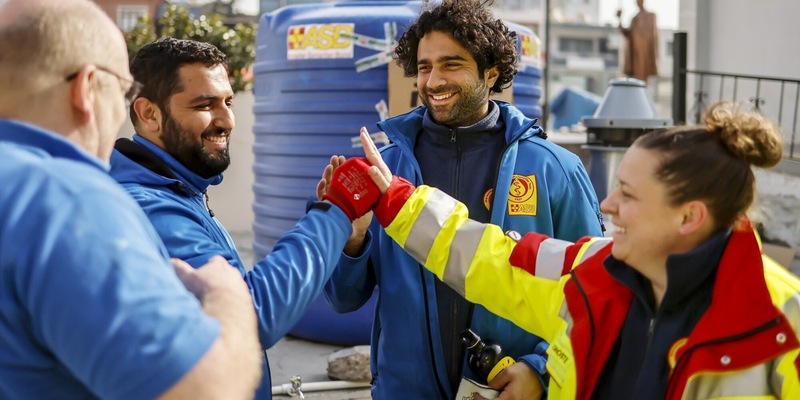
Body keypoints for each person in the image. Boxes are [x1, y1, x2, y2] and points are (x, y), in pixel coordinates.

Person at [358, 101, 800, 399]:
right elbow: (489, 257)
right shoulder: (591, 271)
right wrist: (397, 200)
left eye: (627, 194)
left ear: (689, 217)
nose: (608, 205)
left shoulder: (785, 320)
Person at [321, 0, 604, 398]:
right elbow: (343, 299)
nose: (433, 81)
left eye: (451, 64)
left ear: (490, 73)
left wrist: (539, 371)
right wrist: (351, 240)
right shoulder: (384, 171)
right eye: (424, 67)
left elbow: (597, 298)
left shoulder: (555, 169)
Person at [0, 0, 263, 398]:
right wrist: (227, 296)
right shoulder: (66, 200)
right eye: (121, 89)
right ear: (87, 88)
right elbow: (204, 391)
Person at [108, 37, 378, 399]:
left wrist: (348, 233)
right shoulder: (149, 208)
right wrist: (335, 213)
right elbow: (252, 315)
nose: (227, 120)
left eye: (228, 102)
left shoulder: (182, 192)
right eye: (205, 105)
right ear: (149, 114)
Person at [617, 0, 659, 83]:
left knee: (643, 79)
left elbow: (653, 36)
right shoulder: (635, 19)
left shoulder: (650, 16)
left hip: (646, 53)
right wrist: (620, 19)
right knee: (637, 78)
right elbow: (627, 33)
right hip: (636, 53)